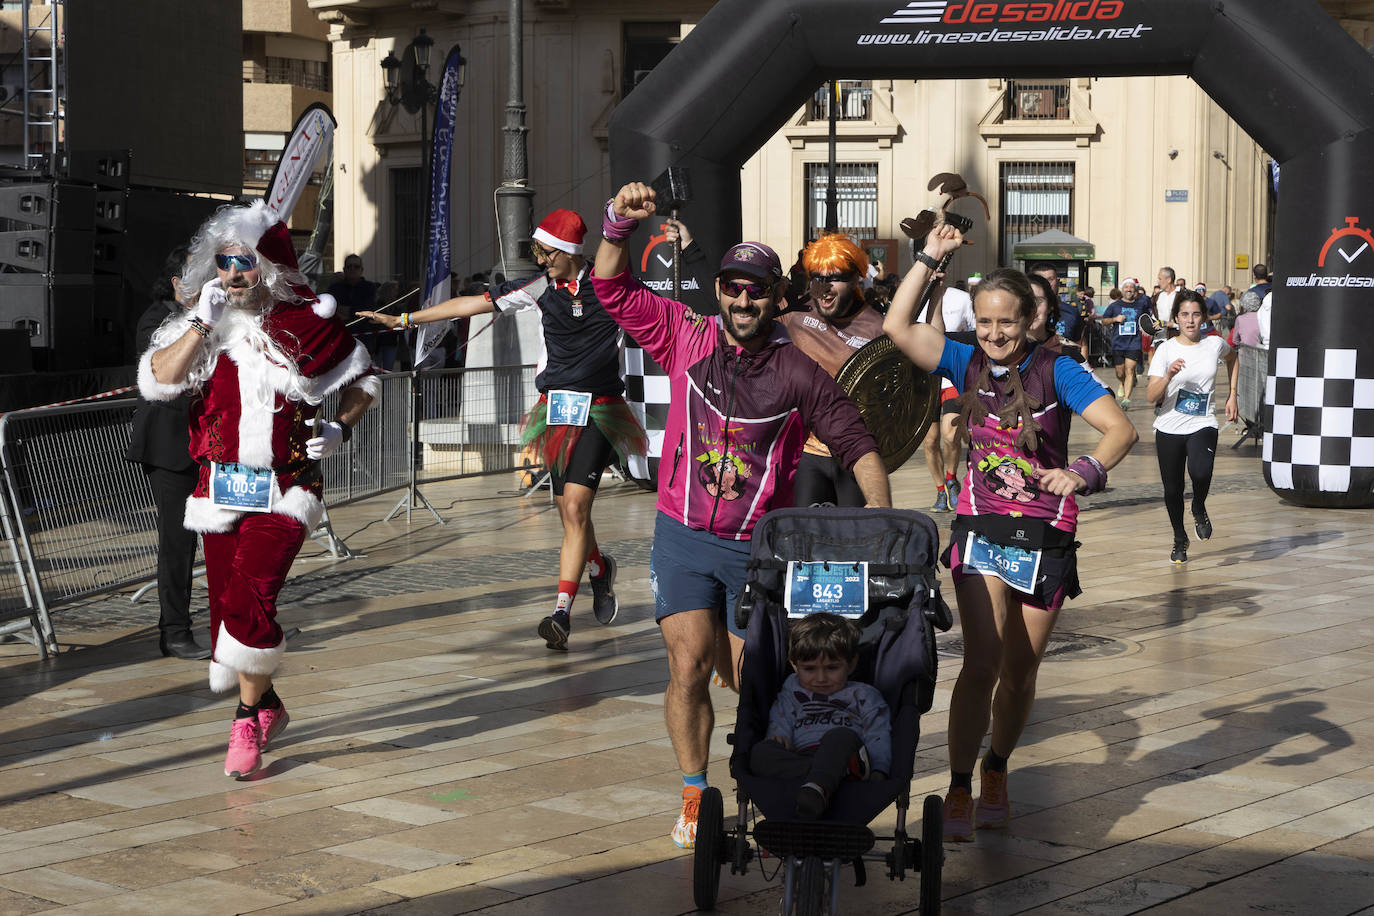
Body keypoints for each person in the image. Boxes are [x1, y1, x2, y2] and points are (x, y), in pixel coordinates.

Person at [591, 180, 891, 849]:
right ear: (720, 290)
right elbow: (610, 290)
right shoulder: (684, 336)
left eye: (756, 289)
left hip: (757, 550)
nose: (743, 299)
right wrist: (615, 224)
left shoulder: (798, 371)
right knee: (687, 666)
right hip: (682, 537)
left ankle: (776, 771)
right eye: (733, 286)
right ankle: (695, 792)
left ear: (774, 294)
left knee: (749, 680)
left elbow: (854, 439)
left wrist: (878, 513)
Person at [883, 221, 1137, 843]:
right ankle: (962, 783)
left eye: (1007, 323)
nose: (995, 334)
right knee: (981, 662)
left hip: (1046, 534)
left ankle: (997, 766)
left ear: (1030, 321)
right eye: (987, 321)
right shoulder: (963, 357)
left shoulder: (1059, 372)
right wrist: (929, 258)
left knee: (1021, 672)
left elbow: (1120, 430)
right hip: (980, 527)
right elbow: (895, 328)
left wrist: (1082, 471)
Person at [139, 201, 379, 777]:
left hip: (287, 490)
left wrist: (338, 427)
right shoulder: (200, 328)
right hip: (220, 494)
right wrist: (200, 321)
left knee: (251, 597)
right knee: (225, 608)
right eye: (223, 263)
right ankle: (268, 701)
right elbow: (158, 382)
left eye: (244, 263)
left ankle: (245, 719)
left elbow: (364, 379)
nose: (232, 275)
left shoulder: (306, 327)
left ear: (268, 268)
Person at [361, 210, 645, 651]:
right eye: (538, 252)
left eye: (546, 251)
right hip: (555, 412)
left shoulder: (609, 285)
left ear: (569, 250)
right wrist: (405, 320)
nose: (541, 259)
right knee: (569, 515)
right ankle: (599, 569)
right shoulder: (536, 287)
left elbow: (662, 317)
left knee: (574, 506)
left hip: (602, 411)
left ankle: (561, 613)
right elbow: (472, 304)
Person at [127, 245, 210, 661]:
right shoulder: (155, 318)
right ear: (178, 282)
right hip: (171, 448)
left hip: (211, 444)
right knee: (178, 544)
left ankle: (239, 624)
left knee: (224, 536)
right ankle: (174, 631)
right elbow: (164, 376)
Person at [779, 234, 887, 508]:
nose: (824, 288)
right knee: (803, 545)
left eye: (835, 277)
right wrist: (690, 249)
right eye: (818, 277)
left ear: (856, 278)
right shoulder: (796, 313)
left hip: (856, 455)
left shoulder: (879, 328)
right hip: (804, 455)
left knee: (855, 545)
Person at [749, 613, 891, 819]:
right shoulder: (792, 691)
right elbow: (781, 718)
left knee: (840, 736)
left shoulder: (864, 694)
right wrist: (779, 738)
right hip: (801, 756)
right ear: (795, 665)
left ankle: (818, 784)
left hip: (847, 757)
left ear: (851, 665)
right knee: (759, 753)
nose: (821, 678)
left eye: (832, 668)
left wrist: (879, 769)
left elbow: (878, 732)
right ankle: (818, 782)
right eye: (809, 669)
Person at [1147, 290, 1238, 564]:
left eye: (1196, 314)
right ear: (1176, 318)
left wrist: (1233, 394)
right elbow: (1151, 396)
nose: (1190, 320)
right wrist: (1168, 375)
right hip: (1169, 426)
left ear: (1204, 318)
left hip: (1203, 422)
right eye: (1184, 314)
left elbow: (1233, 359)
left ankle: (1199, 507)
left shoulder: (1214, 344)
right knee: (1172, 490)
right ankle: (1179, 538)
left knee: (1201, 471)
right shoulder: (1165, 349)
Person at [1100, 278, 1148, 406]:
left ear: (1135, 289)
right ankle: (1123, 382)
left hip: (1134, 343)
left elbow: (1146, 319)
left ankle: (1126, 399)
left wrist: (1146, 327)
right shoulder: (1114, 306)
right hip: (1118, 343)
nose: (1128, 289)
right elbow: (1104, 321)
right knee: (1120, 372)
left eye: (1131, 287)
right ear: (1122, 289)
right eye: (1126, 287)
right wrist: (1115, 318)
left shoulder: (1140, 305)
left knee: (1130, 370)